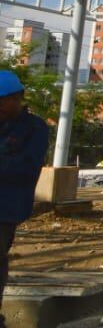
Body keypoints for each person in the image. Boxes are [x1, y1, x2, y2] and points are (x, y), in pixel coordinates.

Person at [0, 70, 49, 326]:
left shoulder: (34, 128)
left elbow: (27, 167)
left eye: (2, 99)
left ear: (18, 97)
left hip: (6, 206)